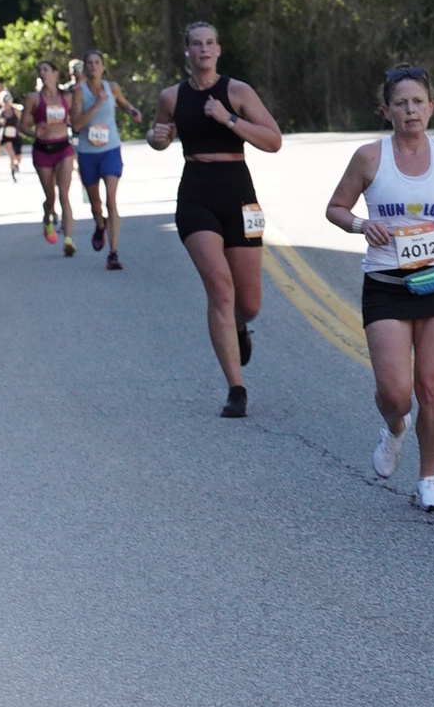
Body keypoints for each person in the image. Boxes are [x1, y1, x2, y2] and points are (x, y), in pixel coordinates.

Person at [325, 65, 434, 511]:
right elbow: (335, 208)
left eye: (418, 102)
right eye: (401, 103)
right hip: (385, 281)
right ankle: (395, 428)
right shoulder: (368, 157)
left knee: (432, 387)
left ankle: (428, 478)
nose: (410, 110)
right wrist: (361, 225)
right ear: (386, 111)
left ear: (431, 107)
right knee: (396, 394)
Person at [148, 22, 281, 418]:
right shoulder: (171, 96)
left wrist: (229, 119)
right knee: (221, 289)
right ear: (186, 51)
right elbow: (159, 136)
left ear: (218, 50)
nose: (203, 49)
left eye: (209, 43)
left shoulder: (237, 92)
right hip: (196, 194)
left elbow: (273, 140)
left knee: (249, 303)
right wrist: (157, 139)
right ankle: (236, 389)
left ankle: (238, 328)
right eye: (196, 44)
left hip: (240, 196)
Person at [70, 50, 143, 271]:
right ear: (85, 68)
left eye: (97, 62)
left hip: (110, 149)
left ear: (103, 67)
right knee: (96, 205)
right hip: (87, 153)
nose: (93, 66)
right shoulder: (79, 92)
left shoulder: (112, 87)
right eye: (89, 63)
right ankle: (100, 225)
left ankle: (113, 253)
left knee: (111, 200)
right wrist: (96, 104)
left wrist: (132, 111)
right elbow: (76, 125)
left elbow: (123, 103)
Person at [22, 59, 77, 254]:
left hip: (63, 148)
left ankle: (68, 240)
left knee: (64, 195)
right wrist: (33, 133)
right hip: (42, 150)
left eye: (46, 69)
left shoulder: (67, 97)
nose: (42, 73)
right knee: (50, 197)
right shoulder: (33, 98)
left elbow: (76, 118)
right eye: (40, 70)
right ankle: (47, 219)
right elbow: (22, 125)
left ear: (55, 73)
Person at [0, 89, 22, 180]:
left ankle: (14, 167)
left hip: (16, 136)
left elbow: (20, 122)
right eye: (4, 100)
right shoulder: (0, 113)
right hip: (6, 136)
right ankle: (13, 174)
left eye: (7, 100)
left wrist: (20, 131)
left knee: (18, 157)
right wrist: (1, 123)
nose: (6, 102)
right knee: (12, 156)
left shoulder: (16, 111)